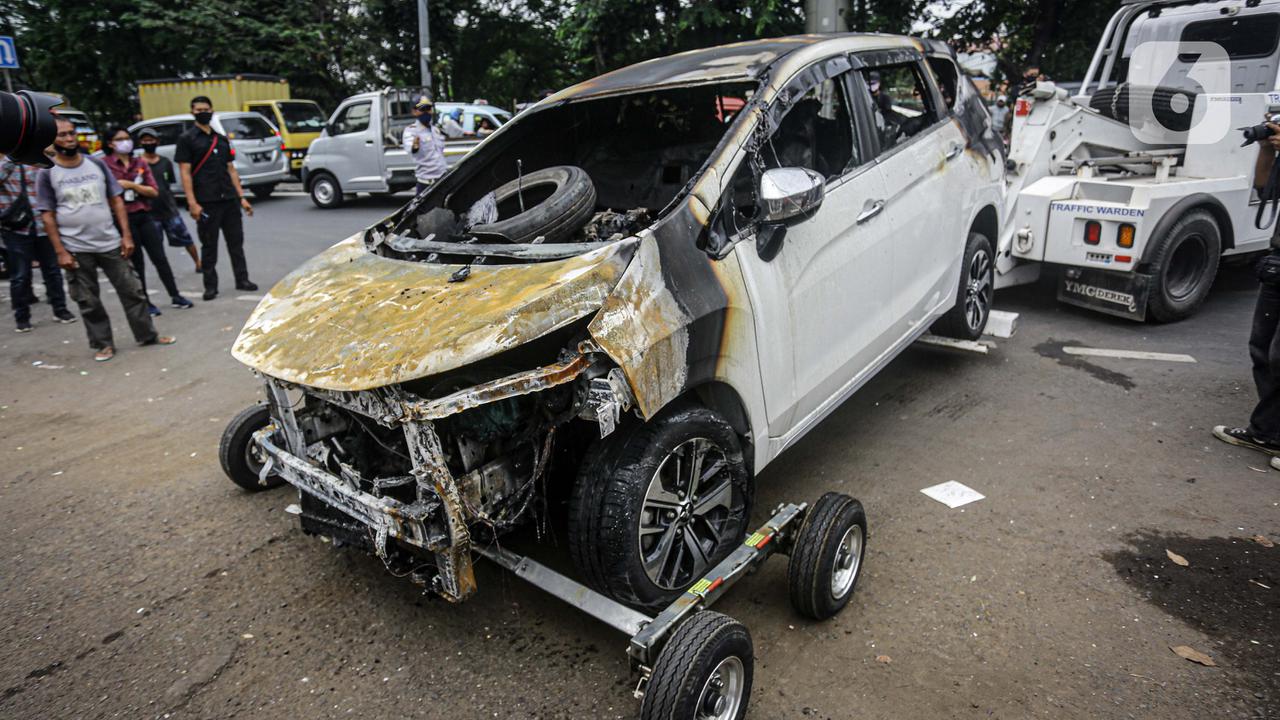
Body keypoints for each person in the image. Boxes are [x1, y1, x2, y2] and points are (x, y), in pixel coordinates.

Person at [35, 118, 176, 362]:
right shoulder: (48, 173)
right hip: (76, 247)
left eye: (72, 133)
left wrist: (126, 235)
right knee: (88, 300)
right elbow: (47, 216)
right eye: (62, 135)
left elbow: (117, 201)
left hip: (109, 241)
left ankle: (147, 334)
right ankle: (103, 344)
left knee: (133, 291)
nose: (69, 139)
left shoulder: (96, 165)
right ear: (52, 140)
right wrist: (60, 251)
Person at [1215, 122, 1280, 463]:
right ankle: (1266, 433)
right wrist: (1267, 149)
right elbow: (1263, 186)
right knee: (1262, 350)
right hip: (1277, 266)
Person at [175, 96, 257, 301]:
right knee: (209, 246)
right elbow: (185, 173)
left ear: (212, 110)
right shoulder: (187, 139)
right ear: (192, 112)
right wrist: (192, 203)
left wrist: (242, 197)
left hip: (229, 200)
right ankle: (210, 287)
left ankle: (242, 279)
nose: (203, 112)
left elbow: (231, 170)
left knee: (236, 243)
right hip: (206, 202)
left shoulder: (220, 138)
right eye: (199, 109)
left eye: (206, 108)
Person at [102, 126, 192, 312]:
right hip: (124, 219)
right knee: (137, 263)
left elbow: (153, 190)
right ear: (110, 143)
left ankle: (175, 295)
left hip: (145, 215)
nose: (125, 142)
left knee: (160, 258)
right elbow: (107, 194)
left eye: (127, 138)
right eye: (120, 139)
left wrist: (130, 186)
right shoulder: (104, 165)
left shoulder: (139, 163)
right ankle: (145, 302)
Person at [1, 156, 76, 332]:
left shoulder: (38, 160)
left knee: (53, 270)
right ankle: (22, 317)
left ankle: (60, 310)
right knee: (20, 275)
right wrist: (12, 159)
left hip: (43, 225)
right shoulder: (6, 163)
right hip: (15, 228)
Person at [138, 127, 200, 272]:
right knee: (156, 245)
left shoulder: (165, 162)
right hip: (150, 211)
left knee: (186, 238)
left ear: (157, 141)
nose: (149, 143)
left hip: (169, 208)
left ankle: (198, 262)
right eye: (145, 140)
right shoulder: (138, 164)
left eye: (151, 140)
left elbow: (169, 183)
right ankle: (164, 270)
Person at [402, 97, 447, 195]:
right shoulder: (411, 131)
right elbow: (412, 148)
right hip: (426, 184)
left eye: (428, 109)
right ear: (414, 112)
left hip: (442, 180)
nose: (426, 112)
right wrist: (415, 146)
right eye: (423, 109)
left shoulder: (435, 130)